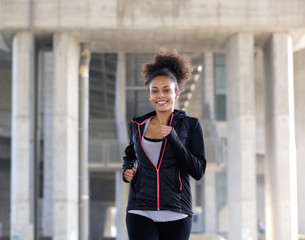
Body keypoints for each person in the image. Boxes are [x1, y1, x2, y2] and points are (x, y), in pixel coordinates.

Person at [122, 49, 207, 240]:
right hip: (140, 209)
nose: (161, 95)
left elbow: (198, 170)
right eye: (155, 91)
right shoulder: (138, 126)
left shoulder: (191, 125)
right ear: (149, 95)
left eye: (167, 90)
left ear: (177, 93)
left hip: (177, 211)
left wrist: (174, 140)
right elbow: (131, 156)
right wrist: (128, 169)